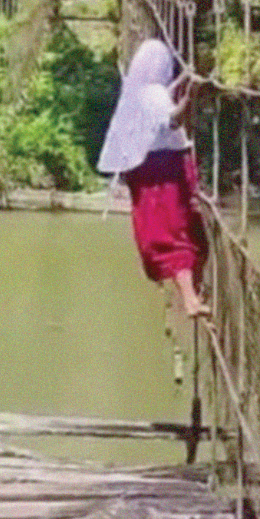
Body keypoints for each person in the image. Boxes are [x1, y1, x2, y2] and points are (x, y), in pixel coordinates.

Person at [97, 39, 209, 318]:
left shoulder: (134, 93)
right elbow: (171, 120)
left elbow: (160, 105)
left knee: (166, 235)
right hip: (166, 174)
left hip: (145, 175)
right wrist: (190, 98)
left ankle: (191, 295)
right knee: (177, 236)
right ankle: (192, 301)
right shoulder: (155, 96)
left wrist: (185, 80)